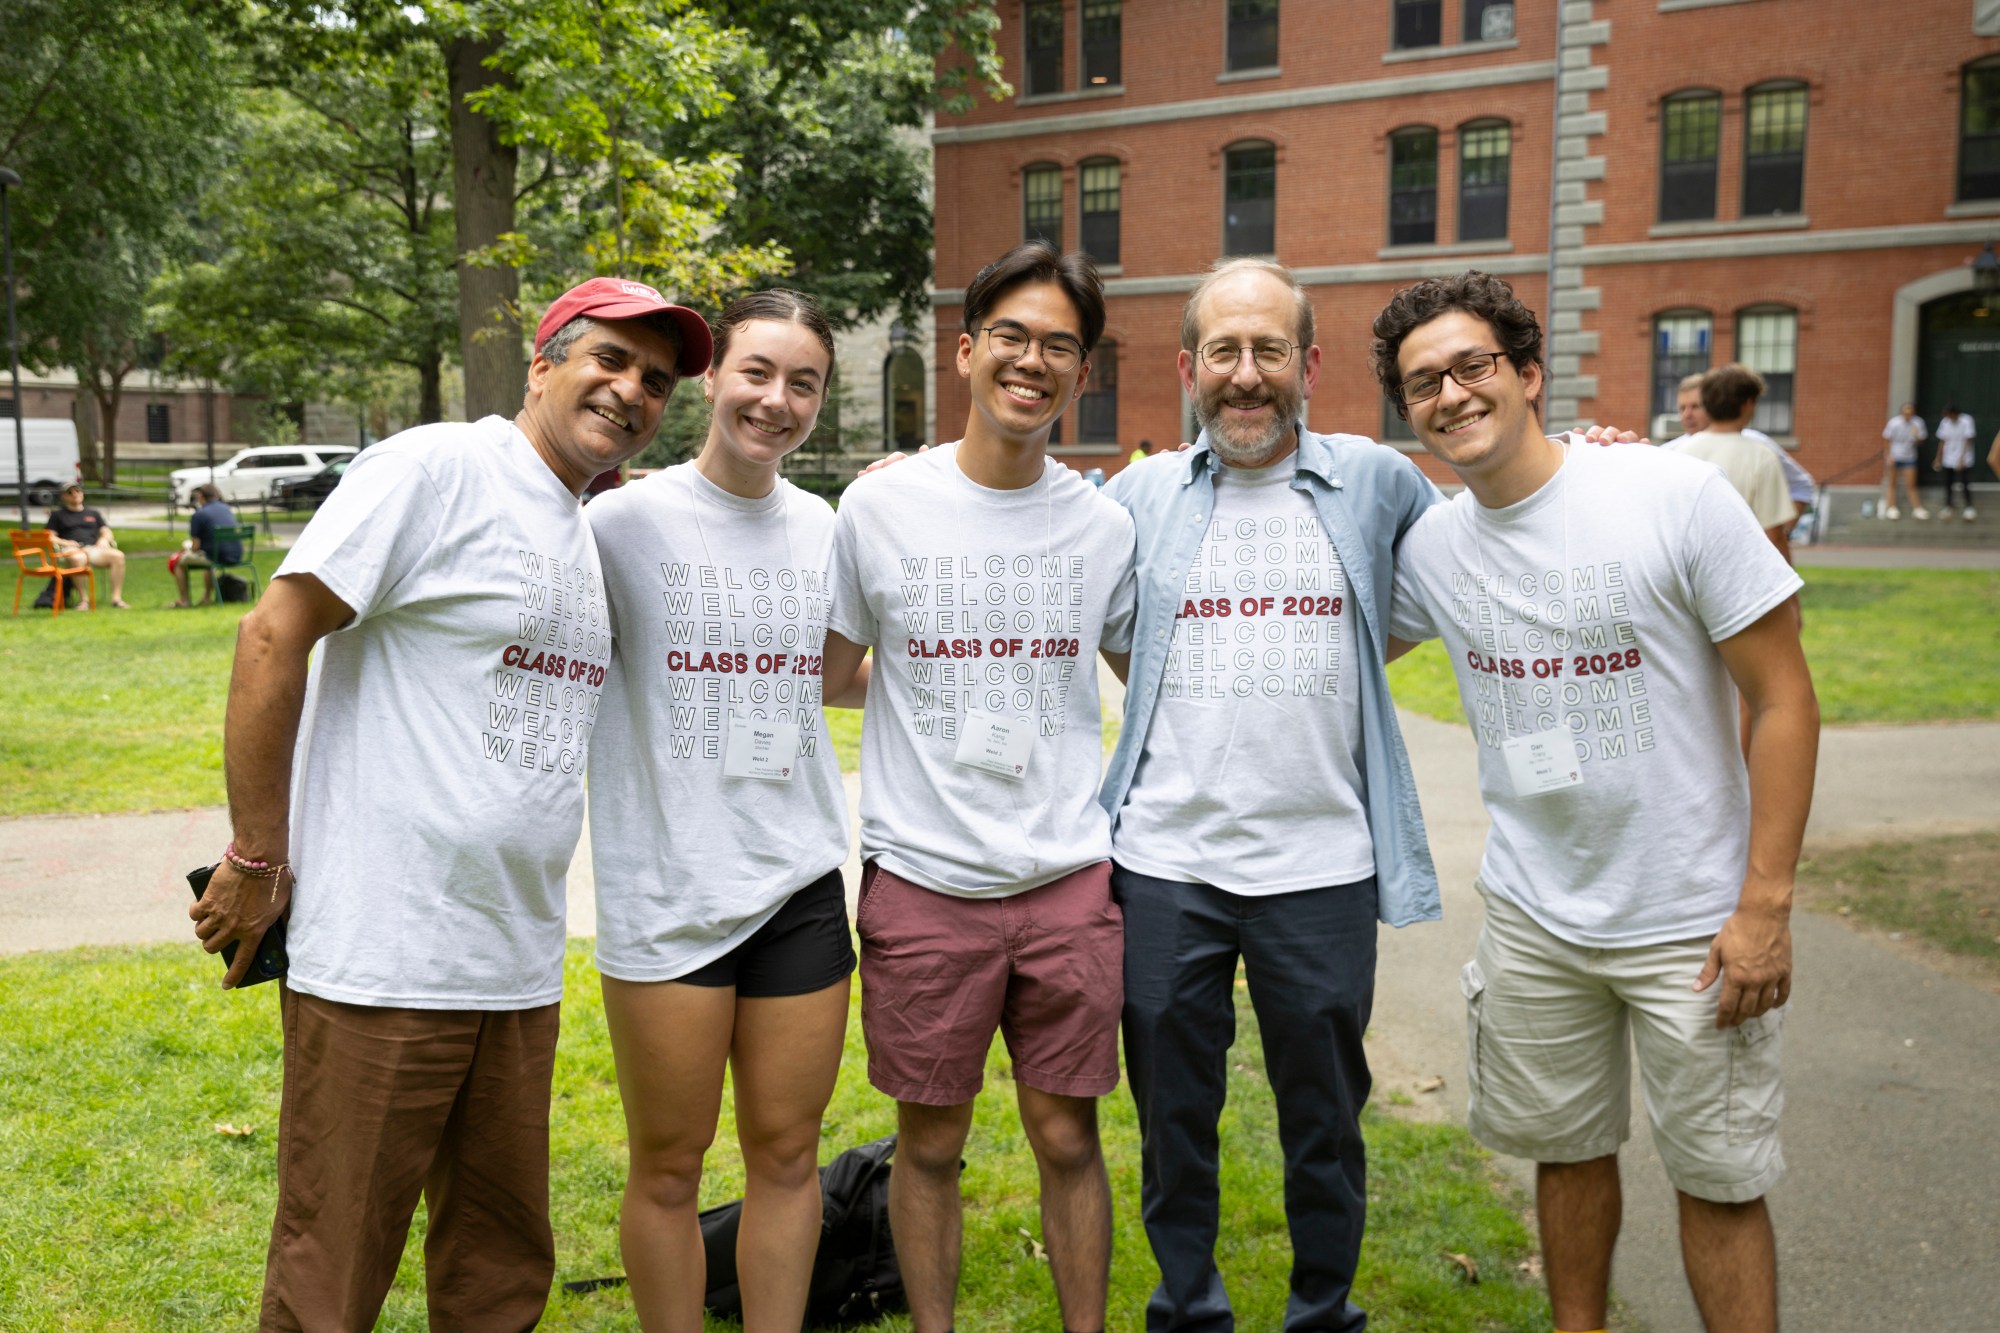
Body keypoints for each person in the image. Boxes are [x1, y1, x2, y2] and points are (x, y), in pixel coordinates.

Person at [188, 275, 711, 1330]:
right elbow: (272, 635)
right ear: (543, 360)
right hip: (384, 956)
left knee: (499, 1266)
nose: (629, 390)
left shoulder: (581, 523)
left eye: (653, 381)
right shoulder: (438, 467)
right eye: (608, 358)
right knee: (334, 1265)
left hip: (513, 966)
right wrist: (255, 854)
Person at [1376, 271, 1818, 1333]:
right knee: (1564, 1154)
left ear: (1527, 374)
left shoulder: (1666, 494)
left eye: (1472, 365)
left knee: (1717, 1175)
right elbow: (1315, 626)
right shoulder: (1432, 547)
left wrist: (1763, 903)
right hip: (1536, 918)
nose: (1450, 393)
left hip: (1693, 919)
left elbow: (1784, 698)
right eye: (1421, 381)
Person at [1095, 257, 1443, 1333]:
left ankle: (1320, 1312)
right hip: (1164, 867)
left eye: (1269, 351)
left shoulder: (1378, 481)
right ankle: (1188, 1307)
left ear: (1309, 363)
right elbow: (1119, 639)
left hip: (1322, 868)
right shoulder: (1137, 495)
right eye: (1224, 352)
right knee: (1172, 1116)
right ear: (1188, 365)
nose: (1246, 376)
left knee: (1326, 1118)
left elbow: (1471, 554)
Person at [826, 240, 1136, 1333]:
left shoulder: (1103, 526)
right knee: (931, 1142)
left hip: (1062, 879)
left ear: (1082, 373)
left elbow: (1139, 679)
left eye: (1059, 344)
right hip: (922, 878)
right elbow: (831, 670)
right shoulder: (878, 508)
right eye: (1010, 336)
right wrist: (928, 698)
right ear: (964, 351)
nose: (1032, 360)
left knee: (1067, 1134)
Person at [584, 291, 868, 1333]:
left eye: (802, 381)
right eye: (756, 371)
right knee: (666, 1163)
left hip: (795, 882)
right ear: (714, 377)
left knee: (787, 1155)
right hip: (666, 889)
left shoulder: (827, 529)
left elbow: (838, 674)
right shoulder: (619, 524)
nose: (775, 400)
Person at [1671, 366, 1798, 560]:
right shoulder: (1761, 456)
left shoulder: (1678, 454)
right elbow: (1773, 535)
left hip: (1688, 568)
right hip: (1739, 568)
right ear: (1749, 403)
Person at [1667, 372, 1814, 512]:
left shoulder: (1759, 447)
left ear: (1712, 403)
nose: (1687, 415)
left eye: (1696, 406)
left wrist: (1783, 533)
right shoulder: (1668, 452)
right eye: (1682, 408)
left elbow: (1801, 485)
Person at [45, 482, 129, 608]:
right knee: (78, 558)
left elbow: (106, 531)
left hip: (93, 548)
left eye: (77, 491)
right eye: (70, 492)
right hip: (72, 549)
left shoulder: (93, 513)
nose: (74, 494)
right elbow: (49, 536)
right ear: (63, 497)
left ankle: (116, 599)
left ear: (82, 493)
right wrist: (66, 542)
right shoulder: (58, 515)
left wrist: (104, 540)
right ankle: (84, 600)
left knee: (118, 555)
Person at [171, 483, 242, 607]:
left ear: (201, 496)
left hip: (215, 557)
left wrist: (187, 548)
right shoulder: (226, 509)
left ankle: (184, 600)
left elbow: (195, 547)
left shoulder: (199, 515)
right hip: (236, 554)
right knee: (208, 560)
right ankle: (206, 598)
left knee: (178, 562)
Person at [1880, 402, 1926, 520]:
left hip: (1909, 457)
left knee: (1911, 484)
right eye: (1906, 413)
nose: (1908, 415)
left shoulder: (1918, 423)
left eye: (1910, 413)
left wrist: (1916, 436)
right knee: (1892, 483)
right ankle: (1891, 508)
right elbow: (1886, 439)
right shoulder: (1894, 423)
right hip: (1894, 457)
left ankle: (1917, 508)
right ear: (1901, 413)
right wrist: (1888, 456)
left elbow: (1920, 442)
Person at [1934, 405, 1977, 521]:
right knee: (1948, 483)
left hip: (1964, 458)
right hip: (1948, 457)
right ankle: (1948, 506)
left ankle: (1969, 506)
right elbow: (1942, 440)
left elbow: (1968, 439)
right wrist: (1938, 458)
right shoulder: (1945, 422)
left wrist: (1962, 459)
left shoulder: (1966, 420)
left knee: (1965, 482)